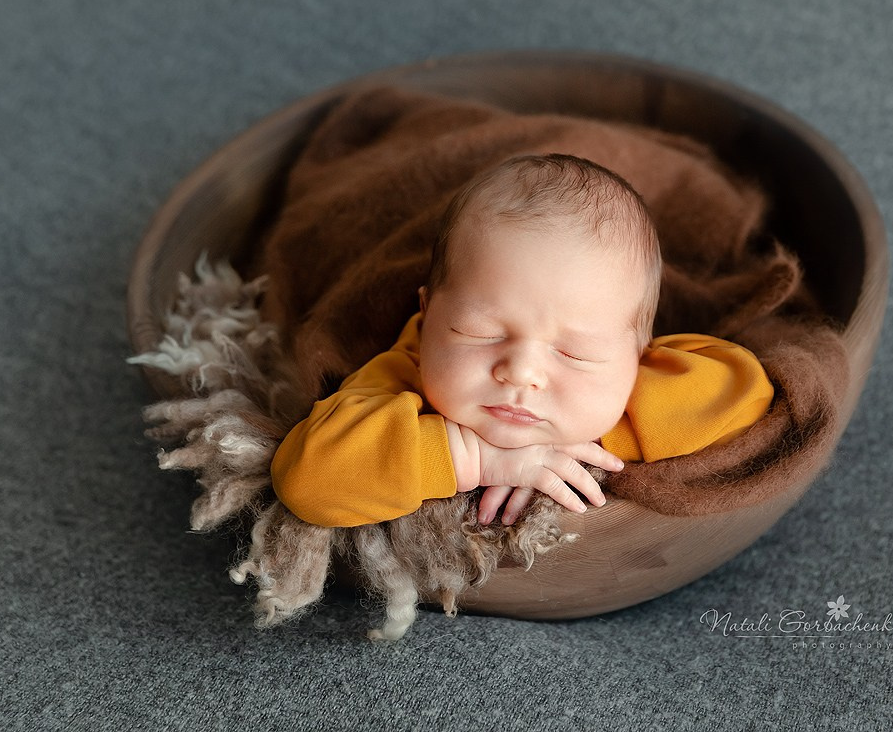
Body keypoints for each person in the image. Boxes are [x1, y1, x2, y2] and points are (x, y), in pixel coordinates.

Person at [271, 154, 774, 528]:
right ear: (427, 316)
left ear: (638, 355)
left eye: (576, 353)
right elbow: (306, 479)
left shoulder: (632, 377)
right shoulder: (406, 370)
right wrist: (467, 456)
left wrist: (593, 436)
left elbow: (747, 393)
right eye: (481, 331)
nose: (521, 372)